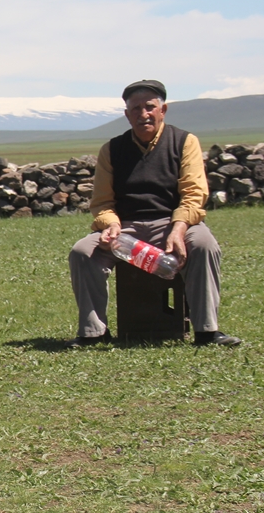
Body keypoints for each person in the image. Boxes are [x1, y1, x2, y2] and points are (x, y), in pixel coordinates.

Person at [69, 79, 240, 347]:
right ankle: (93, 333)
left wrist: (179, 228)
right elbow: (102, 202)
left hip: (173, 222)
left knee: (204, 245)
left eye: (150, 106)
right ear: (127, 115)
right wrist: (111, 225)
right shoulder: (111, 150)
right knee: (82, 252)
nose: (143, 114)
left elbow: (194, 194)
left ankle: (207, 331)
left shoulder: (184, 142)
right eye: (135, 109)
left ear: (163, 110)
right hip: (126, 228)